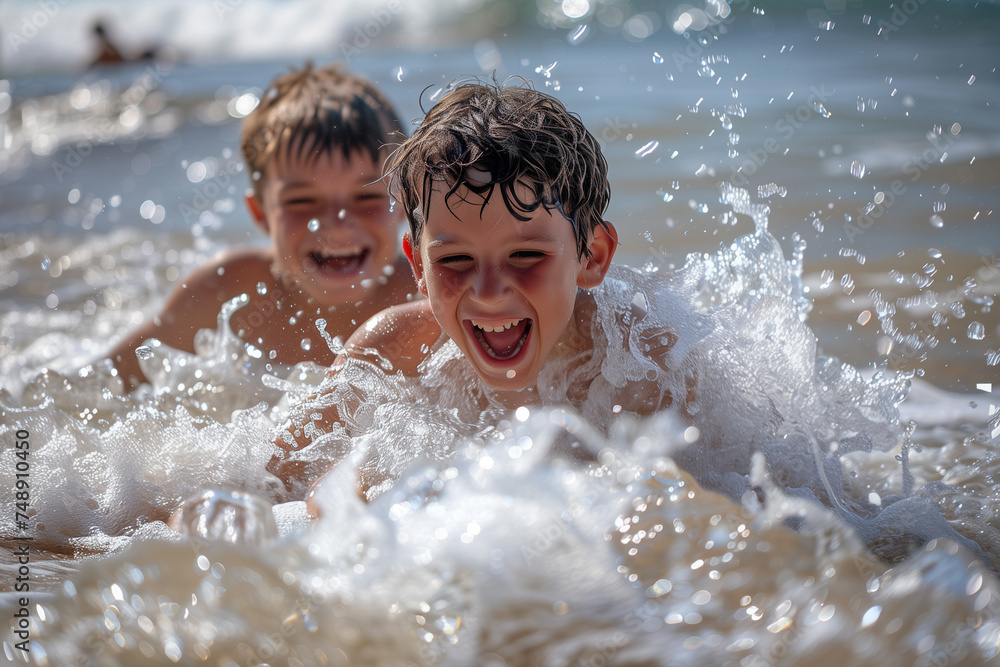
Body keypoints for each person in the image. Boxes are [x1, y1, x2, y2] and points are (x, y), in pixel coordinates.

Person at [270, 79, 691, 503]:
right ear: (418, 265)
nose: (488, 292)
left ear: (593, 256)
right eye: (454, 261)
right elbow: (274, 483)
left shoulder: (642, 362)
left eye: (526, 256)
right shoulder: (391, 352)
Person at [105, 62, 415, 390]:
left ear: (403, 201)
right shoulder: (228, 294)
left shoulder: (422, 298)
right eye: (302, 201)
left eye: (366, 197)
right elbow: (105, 383)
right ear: (261, 213)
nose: (337, 224)